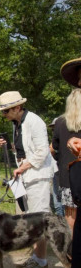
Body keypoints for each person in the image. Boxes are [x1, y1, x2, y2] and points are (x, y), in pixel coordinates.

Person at [0, 91, 55, 268]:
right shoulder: (17, 124)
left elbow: (42, 151)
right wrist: (9, 146)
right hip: (27, 176)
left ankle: (42, 260)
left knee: (39, 220)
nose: (3, 115)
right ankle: (37, 258)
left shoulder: (35, 122)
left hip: (38, 176)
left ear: (18, 107)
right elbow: (23, 150)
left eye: (6, 111)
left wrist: (22, 167)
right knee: (31, 219)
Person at [60, 58, 81, 268]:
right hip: (75, 181)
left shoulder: (60, 122)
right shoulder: (62, 122)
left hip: (70, 179)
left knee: (70, 216)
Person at [51, 90, 81, 233]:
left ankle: (72, 252)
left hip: (68, 176)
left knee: (70, 217)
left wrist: (60, 160)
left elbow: (53, 149)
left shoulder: (59, 122)